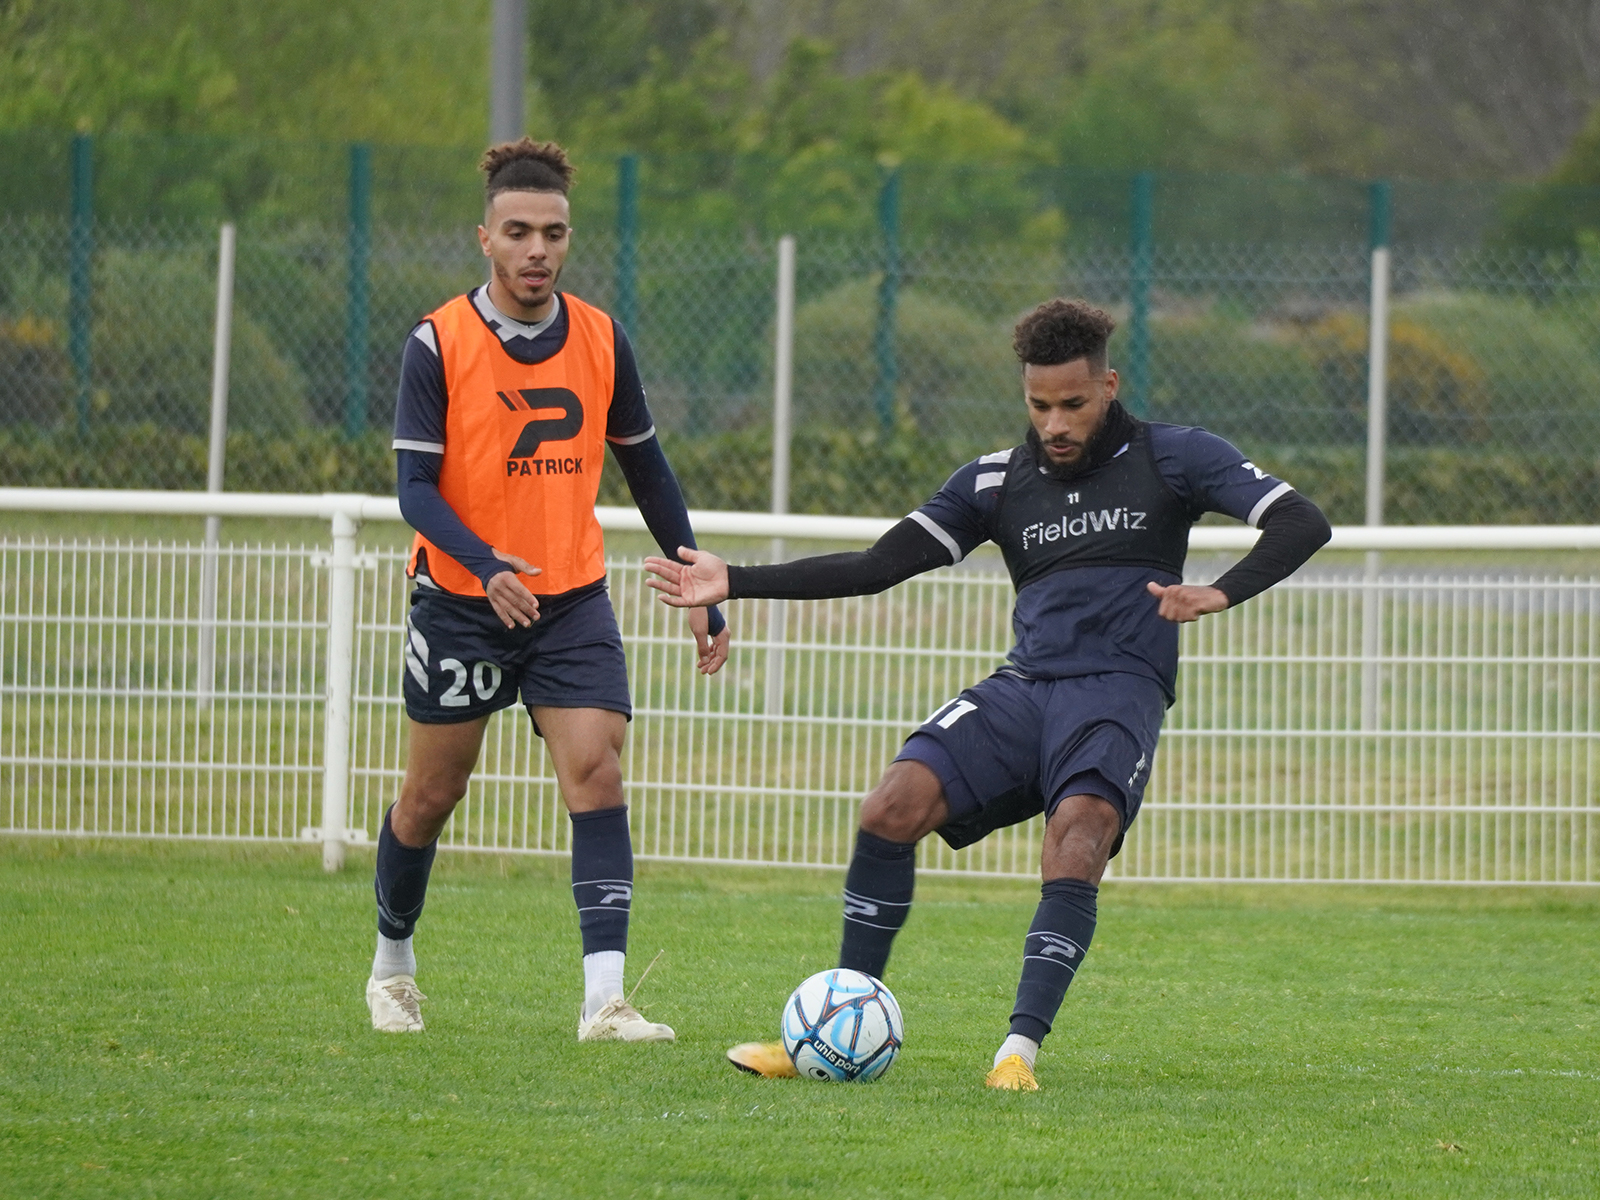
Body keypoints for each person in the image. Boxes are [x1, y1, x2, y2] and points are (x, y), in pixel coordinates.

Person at [643, 299, 1330, 1088]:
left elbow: (1300, 521)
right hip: (1025, 689)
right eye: (1039, 405)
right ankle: (835, 1029)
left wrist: (1222, 591)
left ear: (1108, 384)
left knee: (1079, 831)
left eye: (1073, 403)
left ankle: (1016, 1055)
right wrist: (737, 580)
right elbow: (877, 566)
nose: (1056, 423)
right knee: (890, 805)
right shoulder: (997, 482)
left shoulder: (1174, 457)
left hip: (1114, 694)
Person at [366, 137, 729, 1043]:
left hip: (569, 600)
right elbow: (414, 490)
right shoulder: (437, 341)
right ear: (483, 237)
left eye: (554, 233)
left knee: (596, 775)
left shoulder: (603, 338)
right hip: (459, 601)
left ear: (569, 240)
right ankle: (392, 966)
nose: (537, 249)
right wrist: (486, 565)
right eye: (518, 231)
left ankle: (604, 1001)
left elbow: (647, 470)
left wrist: (697, 576)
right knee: (432, 796)